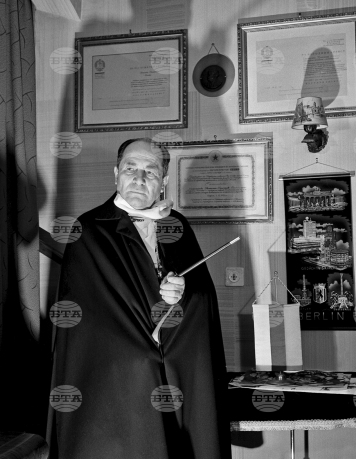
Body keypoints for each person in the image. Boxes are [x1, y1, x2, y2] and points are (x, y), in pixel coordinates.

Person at [52, 138, 230, 458]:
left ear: (163, 181)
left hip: (177, 367)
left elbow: (204, 298)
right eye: (130, 168)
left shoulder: (178, 226)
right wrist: (141, 352)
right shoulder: (88, 229)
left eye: (150, 171)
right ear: (116, 174)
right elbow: (83, 318)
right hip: (118, 379)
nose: (139, 178)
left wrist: (184, 294)